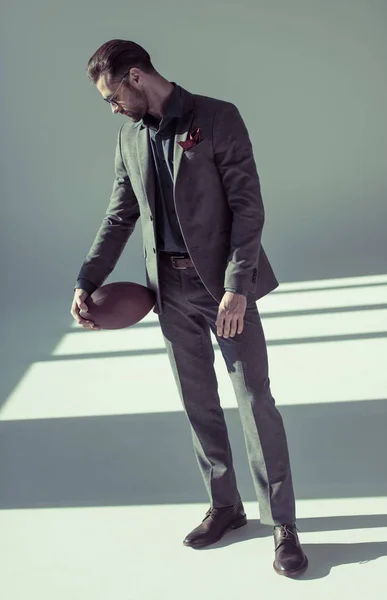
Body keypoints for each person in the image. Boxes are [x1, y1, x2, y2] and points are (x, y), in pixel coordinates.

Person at [70, 38, 308, 577]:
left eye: (111, 96)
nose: (111, 107)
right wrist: (88, 279)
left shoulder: (218, 117)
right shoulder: (129, 138)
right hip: (168, 292)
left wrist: (237, 286)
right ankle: (226, 506)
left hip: (225, 289)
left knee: (254, 401)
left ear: (135, 77)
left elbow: (249, 208)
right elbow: (119, 216)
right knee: (197, 402)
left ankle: (283, 524)